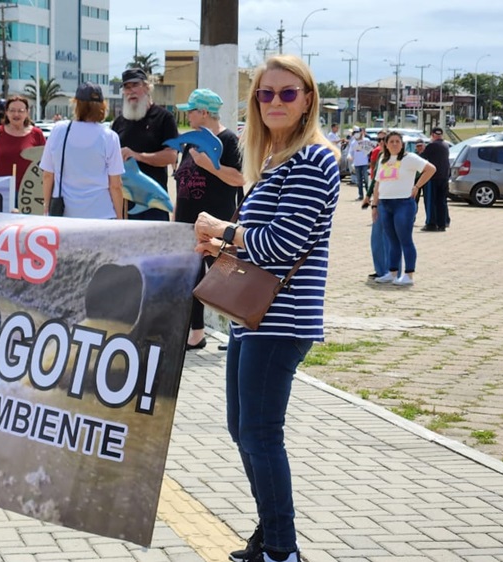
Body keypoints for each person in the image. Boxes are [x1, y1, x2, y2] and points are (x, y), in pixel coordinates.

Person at [192, 54, 340, 562]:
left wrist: (222, 230)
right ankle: (269, 534)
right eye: (264, 93)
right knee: (243, 429)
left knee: (259, 432)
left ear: (307, 100)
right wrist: (223, 248)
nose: (274, 101)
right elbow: (263, 244)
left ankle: (282, 547)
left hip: (282, 319)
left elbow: (281, 243)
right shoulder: (275, 157)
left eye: (287, 92)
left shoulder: (314, 159)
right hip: (251, 316)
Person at [172, 88, 245, 350]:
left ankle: (238, 330)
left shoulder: (228, 140)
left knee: (226, 278)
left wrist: (208, 165)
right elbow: (182, 181)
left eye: (190, 111)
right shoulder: (191, 141)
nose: (187, 116)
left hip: (218, 226)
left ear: (203, 112)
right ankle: (196, 333)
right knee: (190, 280)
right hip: (188, 224)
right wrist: (176, 216)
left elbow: (239, 177)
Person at [39, 82, 124, 219]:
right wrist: (119, 217)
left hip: (66, 215)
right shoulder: (109, 137)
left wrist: (46, 207)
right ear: (102, 106)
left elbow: (48, 175)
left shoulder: (59, 130)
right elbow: (115, 185)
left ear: (76, 104)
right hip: (101, 213)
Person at [111, 67, 179, 221]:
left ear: (147, 87)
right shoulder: (118, 123)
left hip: (153, 203)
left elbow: (171, 156)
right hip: (123, 204)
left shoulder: (164, 118)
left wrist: (137, 156)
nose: (130, 91)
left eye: (135, 85)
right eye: (126, 87)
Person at [371, 130, 436, 286]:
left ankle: (409, 275)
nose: (394, 144)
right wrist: (375, 204)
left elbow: (431, 169)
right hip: (385, 204)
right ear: (385, 144)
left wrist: (417, 186)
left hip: (403, 204)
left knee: (405, 239)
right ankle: (392, 273)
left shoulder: (409, 158)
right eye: (391, 141)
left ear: (402, 144)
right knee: (392, 241)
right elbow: (378, 183)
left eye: (397, 142)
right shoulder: (383, 159)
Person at [0, 94, 46, 205]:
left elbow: (46, 162)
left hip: (30, 195)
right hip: (2, 193)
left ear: (27, 112)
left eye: (20, 111)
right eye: (12, 110)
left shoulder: (37, 134)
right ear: (6, 112)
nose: (16, 114)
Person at [363, 131, 393, 279]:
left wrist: (415, 188)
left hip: (392, 201)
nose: (380, 142)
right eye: (378, 139)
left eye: (383, 139)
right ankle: (381, 270)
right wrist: (368, 196)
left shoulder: (399, 159)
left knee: (389, 238)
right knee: (377, 239)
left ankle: (391, 270)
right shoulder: (381, 157)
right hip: (379, 200)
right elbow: (376, 180)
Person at [420, 127, 450, 232]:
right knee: (441, 201)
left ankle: (431, 223)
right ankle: (442, 224)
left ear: (432, 135)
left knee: (430, 201)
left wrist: (421, 150)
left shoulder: (432, 145)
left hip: (432, 177)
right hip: (444, 177)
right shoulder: (446, 145)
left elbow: (422, 158)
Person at [346, 126, 374, 200]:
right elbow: (350, 152)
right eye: (354, 133)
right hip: (357, 163)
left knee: (366, 179)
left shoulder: (366, 140)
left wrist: (370, 161)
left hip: (365, 163)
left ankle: (368, 195)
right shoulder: (353, 143)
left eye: (357, 132)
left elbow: (371, 151)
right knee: (359, 181)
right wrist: (349, 156)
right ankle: (361, 195)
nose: (356, 134)